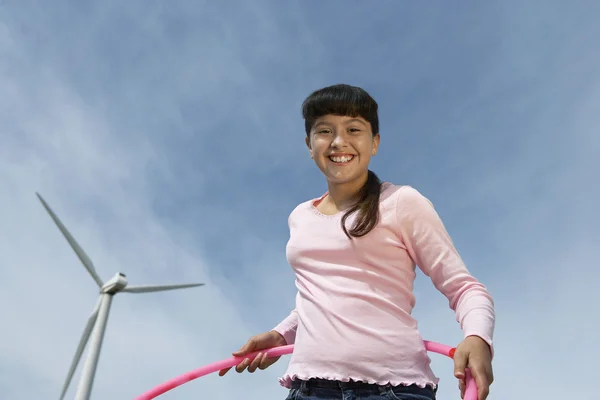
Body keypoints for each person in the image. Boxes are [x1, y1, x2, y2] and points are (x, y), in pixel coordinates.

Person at [219, 84, 495, 400]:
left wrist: (477, 338)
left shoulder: (402, 203)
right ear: (309, 145)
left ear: (374, 142)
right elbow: (324, 297)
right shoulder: (299, 216)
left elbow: (464, 288)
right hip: (309, 391)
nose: (339, 142)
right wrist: (280, 334)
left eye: (353, 129)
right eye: (324, 131)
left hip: (392, 391)